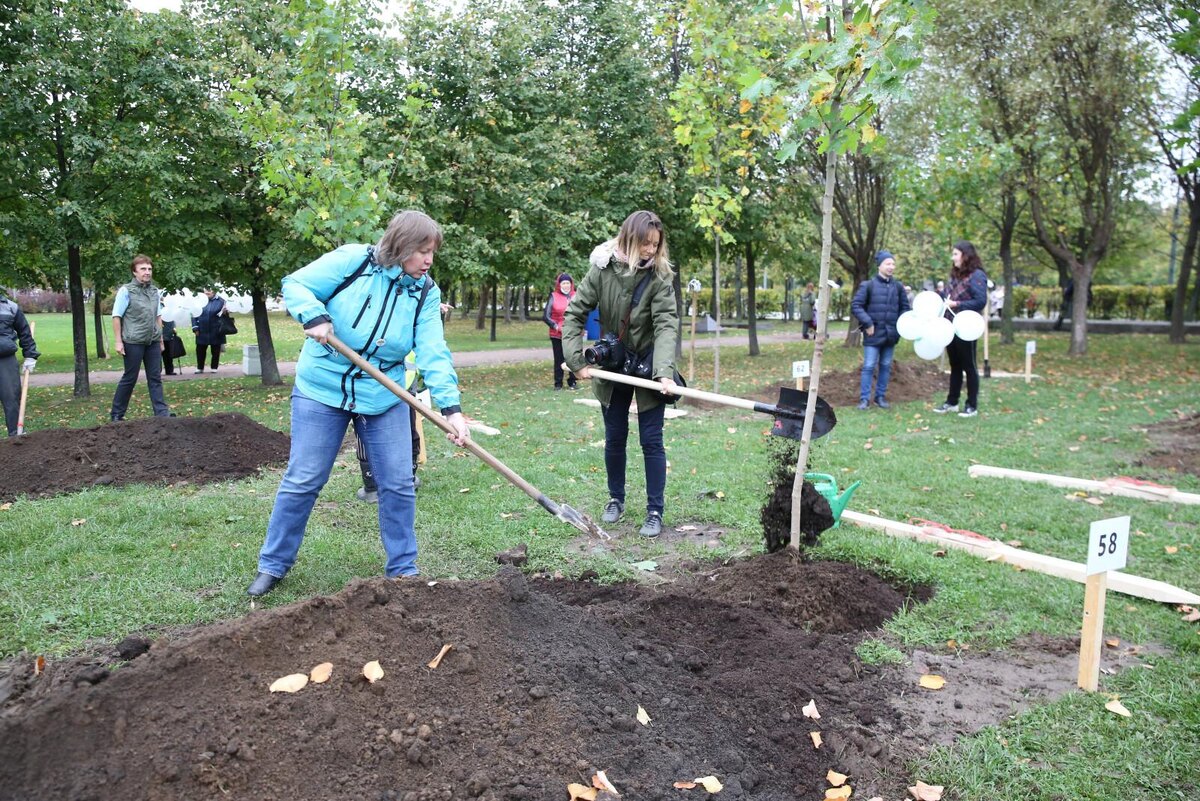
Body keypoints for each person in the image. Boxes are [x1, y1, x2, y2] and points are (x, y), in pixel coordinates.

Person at [248, 210, 469, 597]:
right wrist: (314, 315)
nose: (429, 260)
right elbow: (296, 284)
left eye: (432, 252)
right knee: (304, 478)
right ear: (401, 245)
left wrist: (451, 409)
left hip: (383, 395)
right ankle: (273, 564)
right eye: (422, 251)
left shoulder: (425, 292)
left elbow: (433, 350)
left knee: (398, 483)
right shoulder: (354, 261)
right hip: (323, 387)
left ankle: (403, 570)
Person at [562, 210, 679, 539]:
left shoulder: (659, 276)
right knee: (614, 436)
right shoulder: (602, 270)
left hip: (648, 367)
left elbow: (666, 325)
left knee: (651, 440)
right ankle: (616, 498)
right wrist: (576, 360)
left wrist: (664, 373)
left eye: (655, 244)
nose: (650, 250)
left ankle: (655, 510)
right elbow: (575, 313)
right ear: (629, 239)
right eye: (645, 243)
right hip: (614, 366)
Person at [110, 255, 172, 421]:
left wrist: (160, 340)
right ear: (134, 272)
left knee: (155, 378)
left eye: (149, 269)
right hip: (133, 341)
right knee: (130, 378)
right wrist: (118, 341)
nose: (147, 272)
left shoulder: (154, 291)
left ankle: (162, 414)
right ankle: (117, 414)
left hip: (152, 341)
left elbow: (158, 315)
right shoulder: (126, 291)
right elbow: (116, 316)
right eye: (143, 269)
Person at [933, 241, 988, 418]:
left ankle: (972, 405)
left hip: (966, 326)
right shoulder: (955, 275)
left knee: (969, 366)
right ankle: (952, 402)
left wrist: (957, 304)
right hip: (950, 325)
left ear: (965, 255)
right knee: (955, 365)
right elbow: (948, 296)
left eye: (956, 254)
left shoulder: (977, 275)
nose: (953, 258)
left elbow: (980, 301)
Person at [851, 250, 910, 410]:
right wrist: (868, 323)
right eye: (888, 263)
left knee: (885, 365)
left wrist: (899, 327)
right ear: (879, 266)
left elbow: (905, 309)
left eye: (893, 264)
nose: (891, 267)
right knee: (869, 366)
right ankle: (864, 400)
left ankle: (880, 397)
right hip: (873, 334)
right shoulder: (868, 285)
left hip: (891, 335)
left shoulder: (898, 287)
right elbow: (856, 306)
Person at [0, 289, 39, 436]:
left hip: (6, 360)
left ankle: (15, 437)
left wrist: (30, 355)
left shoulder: (10, 307)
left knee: (11, 399)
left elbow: (24, 332)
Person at [543, 272, 577, 390]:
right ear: (559, 284)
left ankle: (572, 382)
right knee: (559, 359)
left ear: (571, 284)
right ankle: (558, 384)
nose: (566, 285)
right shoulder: (553, 296)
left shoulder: (576, 295)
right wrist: (556, 326)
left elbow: (582, 313)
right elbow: (546, 316)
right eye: (563, 283)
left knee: (572, 358)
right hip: (557, 334)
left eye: (568, 283)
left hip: (573, 333)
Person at [191, 289, 229, 373]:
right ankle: (200, 368)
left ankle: (214, 367)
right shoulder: (198, 300)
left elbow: (225, 316)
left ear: (214, 291)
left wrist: (225, 312)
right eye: (206, 290)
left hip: (216, 329)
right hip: (202, 329)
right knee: (200, 349)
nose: (207, 292)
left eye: (209, 290)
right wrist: (195, 328)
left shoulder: (221, 301)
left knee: (215, 350)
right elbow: (194, 315)